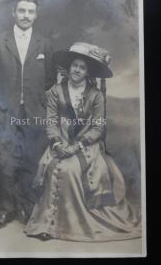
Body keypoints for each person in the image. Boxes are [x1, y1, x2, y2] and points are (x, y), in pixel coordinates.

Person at [25, 42, 141, 242]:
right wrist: (56, 143)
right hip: (60, 141)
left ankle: (69, 226)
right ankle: (47, 225)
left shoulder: (95, 95)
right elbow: (51, 120)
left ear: (88, 72)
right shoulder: (56, 91)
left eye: (82, 67)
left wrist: (77, 145)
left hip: (87, 145)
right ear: (69, 67)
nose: (77, 70)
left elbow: (97, 127)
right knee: (52, 167)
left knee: (70, 171)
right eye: (75, 65)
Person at [0, 0, 56, 229]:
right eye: (22, 10)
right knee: (5, 160)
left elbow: (49, 79)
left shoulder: (44, 43)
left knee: (32, 160)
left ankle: (27, 207)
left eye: (31, 11)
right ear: (13, 12)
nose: (26, 15)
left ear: (36, 15)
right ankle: (5, 210)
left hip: (35, 112)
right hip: (6, 111)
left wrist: (38, 103)